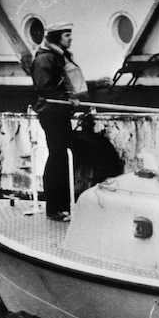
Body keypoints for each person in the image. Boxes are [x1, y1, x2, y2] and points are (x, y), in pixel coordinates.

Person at [30, 22, 108, 222]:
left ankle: (62, 206)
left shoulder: (59, 56)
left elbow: (70, 84)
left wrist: (95, 84)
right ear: (57, 37)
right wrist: (67, 98)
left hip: (60, 113)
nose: (70, 38)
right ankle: (54, 208)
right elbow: (44, 87)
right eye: (66, 35)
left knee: (63, 156)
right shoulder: (45, 58)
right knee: (58, 156)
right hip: (51, 113)